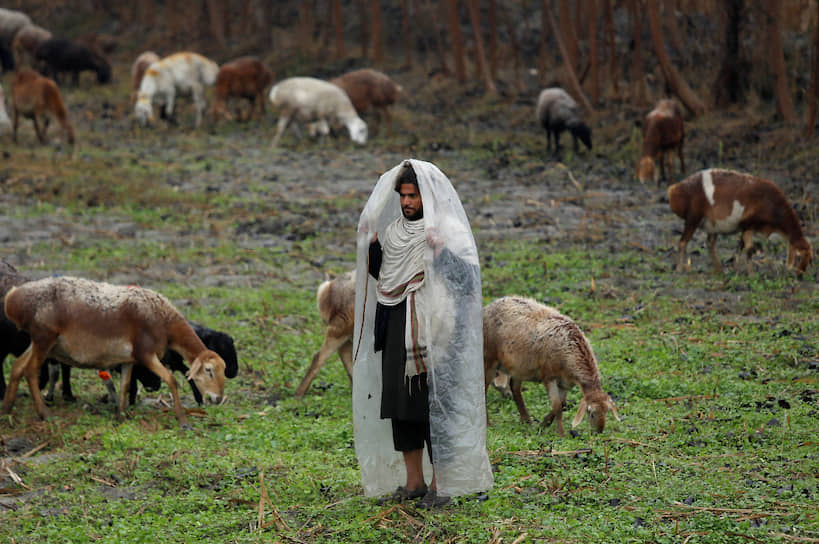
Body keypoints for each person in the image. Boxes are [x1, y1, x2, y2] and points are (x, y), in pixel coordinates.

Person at [352, 159, 493, 508]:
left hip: (435, 335)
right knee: (401, 409)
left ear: (426, 196)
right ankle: (413, 482)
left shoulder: (448, 231)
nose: (406, 203)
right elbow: (384, 278)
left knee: (432, 410)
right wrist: (370, 245)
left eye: (413, 195)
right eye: (403, 196)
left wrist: (441, 251)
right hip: (397, 330)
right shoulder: (395, 233)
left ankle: (439, 484)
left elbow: (466, 281)